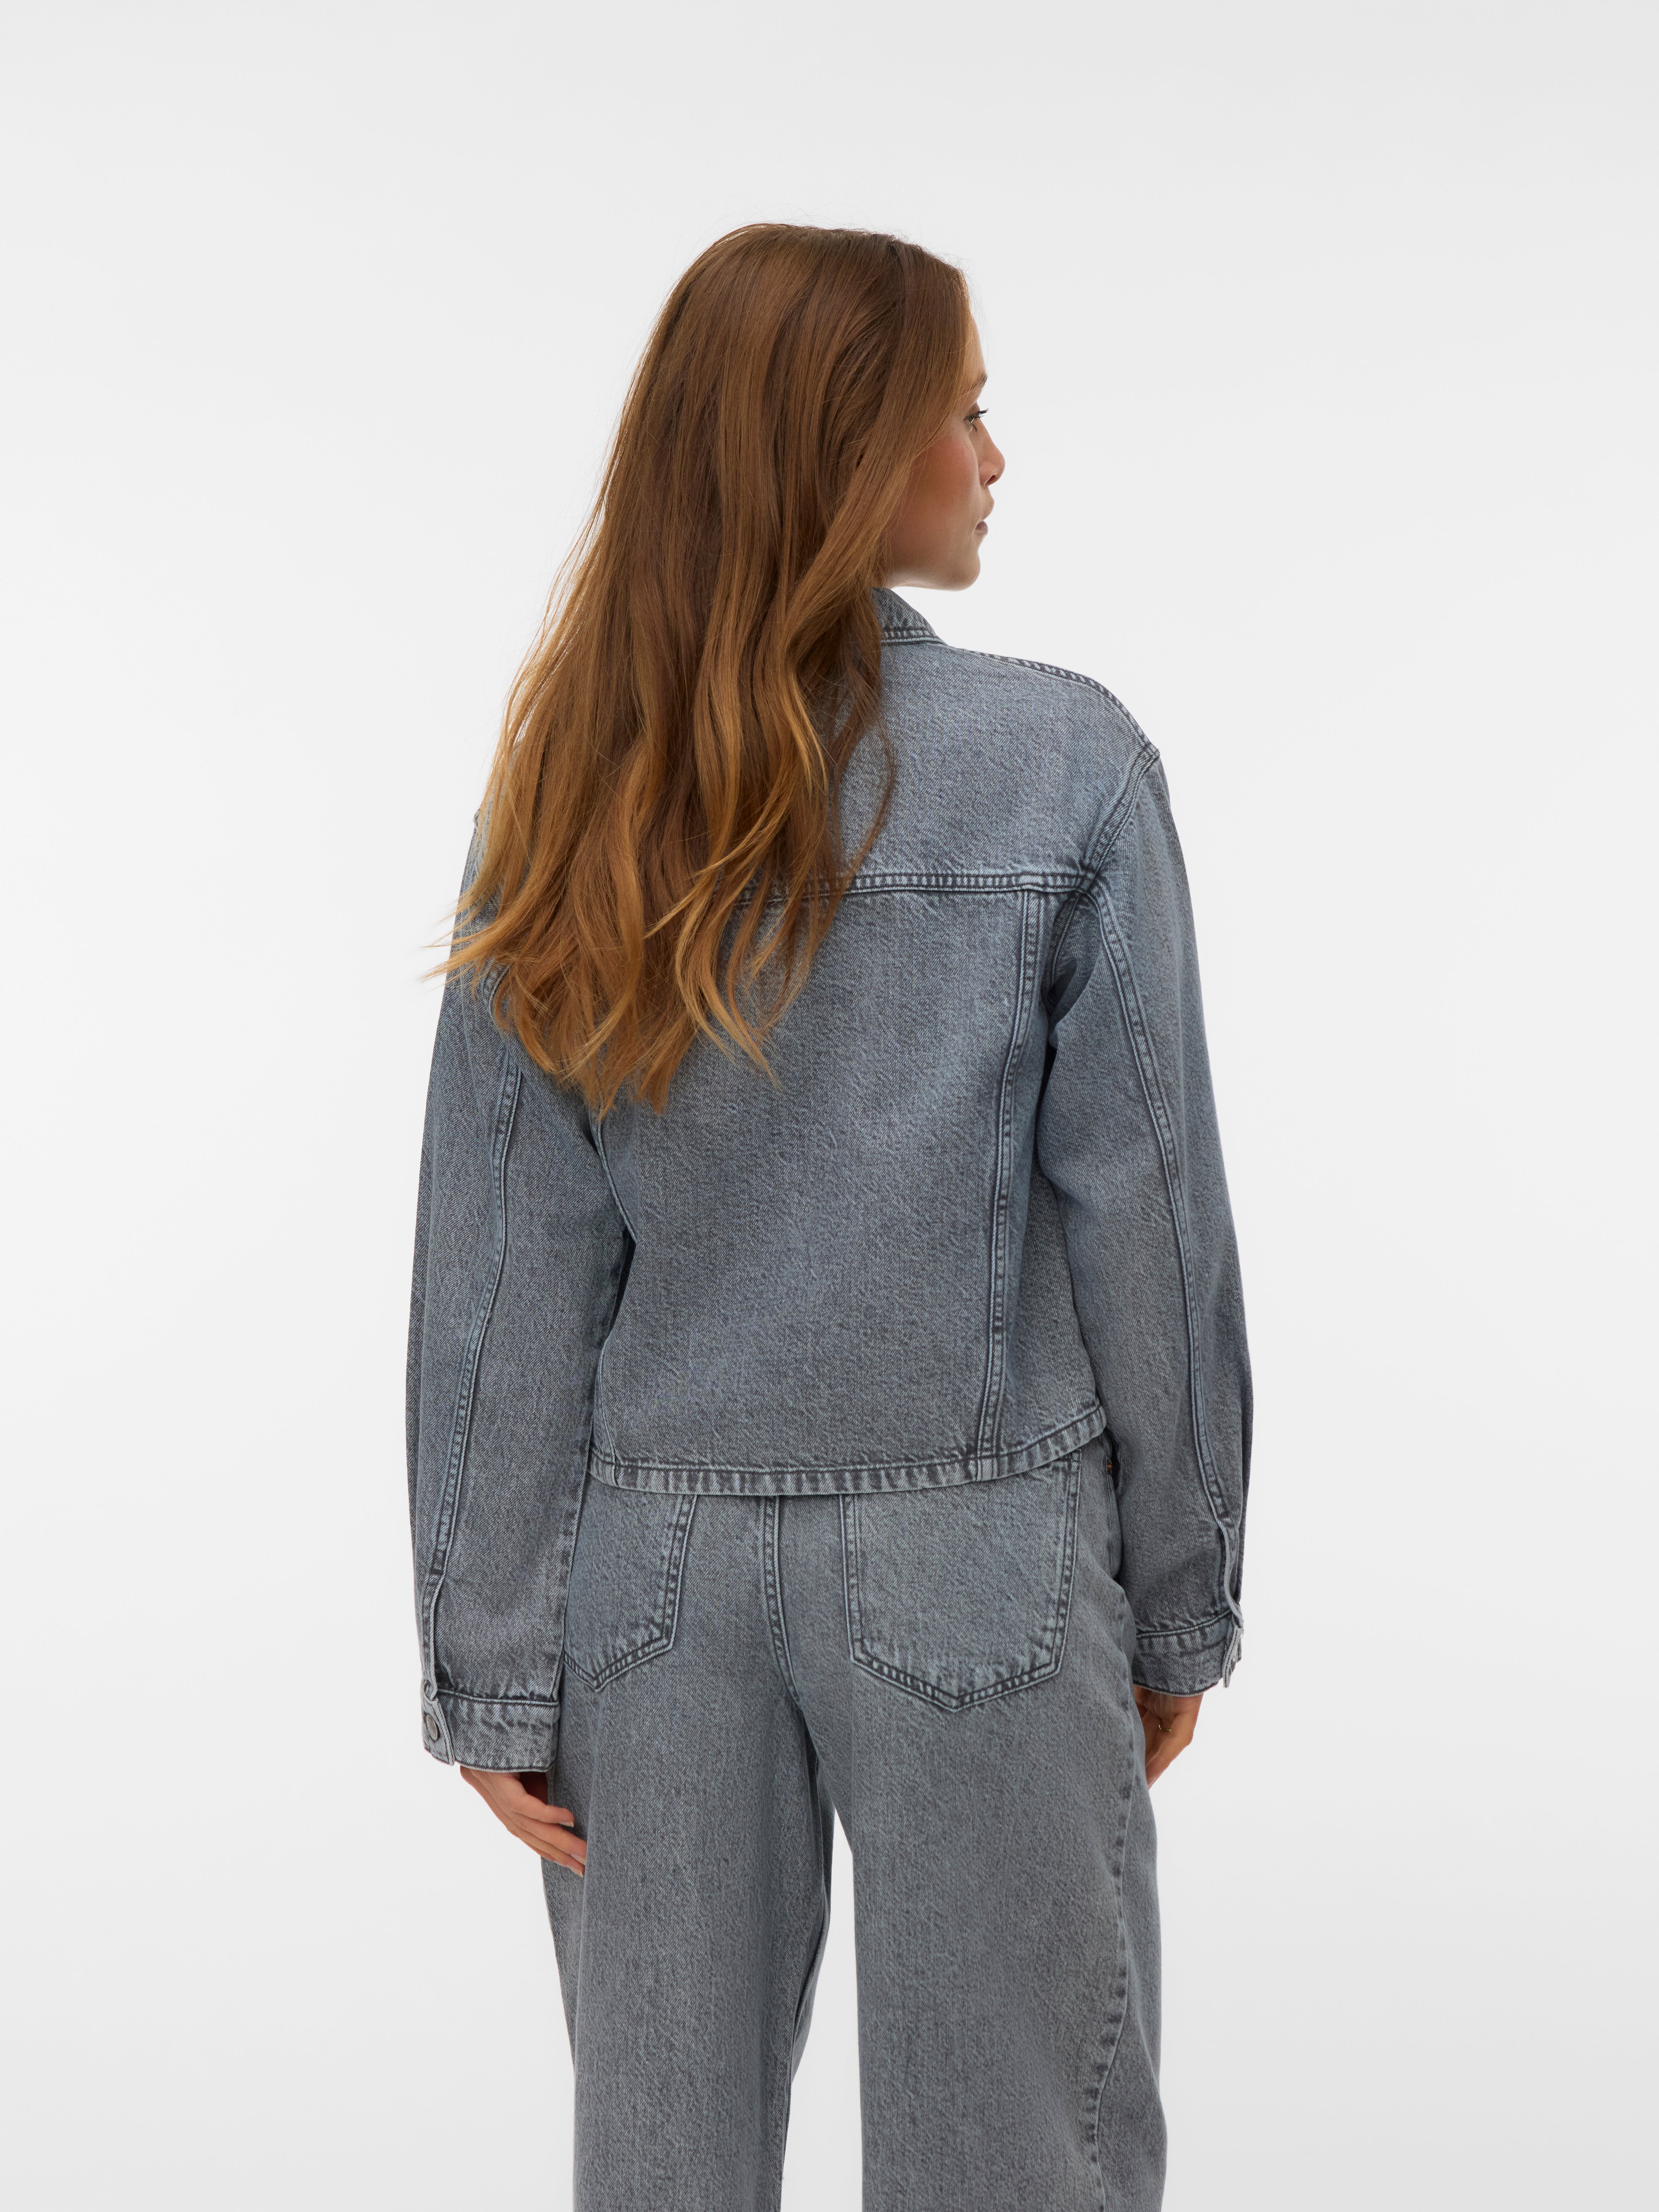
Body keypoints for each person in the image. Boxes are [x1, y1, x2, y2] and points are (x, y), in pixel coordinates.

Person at [406, 223, 1251, 2212]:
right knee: (1017, 2166)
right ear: (851, 450)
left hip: (646, 1589)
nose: (994, 458)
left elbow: (506, 1264)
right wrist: (1179, 1598)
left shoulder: (574, 788)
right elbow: (1151, 1221)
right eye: (964, 412)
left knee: (662, 2171)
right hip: (985, 1556)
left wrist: (490, 1655)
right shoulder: (1061, 764)